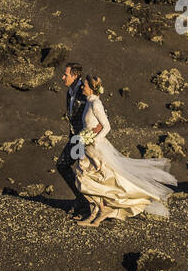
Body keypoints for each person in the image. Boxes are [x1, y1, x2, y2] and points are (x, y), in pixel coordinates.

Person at [73, 73, 177, 227]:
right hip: (87, 146)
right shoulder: (89, 102)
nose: (82, 87)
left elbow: (107, 126)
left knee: (91, 178)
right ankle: (95, 212)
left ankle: (101, 210)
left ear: (92, 89)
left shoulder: (96, 104)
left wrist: (94, 140)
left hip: (96, 148)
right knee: (86, 178)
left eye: (85, 86)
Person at [54, 62, 91, 220]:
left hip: (82, 139)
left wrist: (88, 135)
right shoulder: (70, 91)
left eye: (66, 75)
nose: (62, 77)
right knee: (66, 166)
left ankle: (85, 205)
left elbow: (99, 112)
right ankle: (83, 201)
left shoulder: (85, 90)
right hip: (75, 137)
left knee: (75, 169)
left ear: (75, 75)